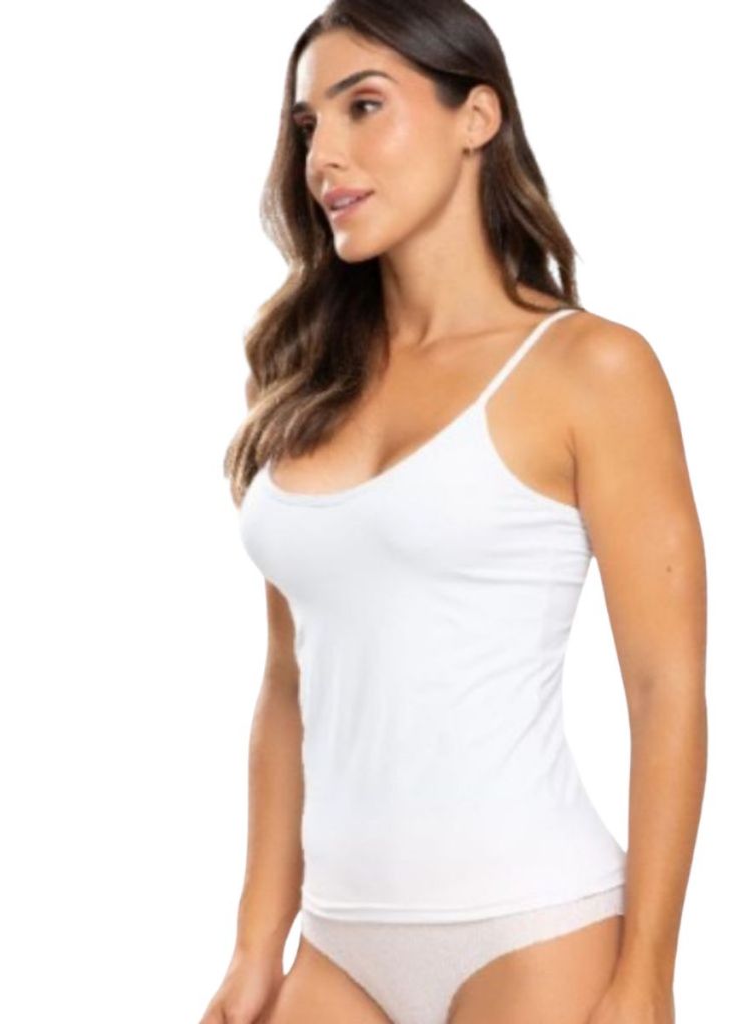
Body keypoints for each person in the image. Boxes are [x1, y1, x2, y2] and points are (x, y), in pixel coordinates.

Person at [205, 2, 706, 1022]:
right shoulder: (301, 385)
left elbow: (665, 688)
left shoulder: (593, 369)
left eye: (364, 107)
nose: (323, 156)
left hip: (534, 929)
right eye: (308, 124)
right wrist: (257, 943)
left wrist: (648, 973)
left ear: (476, 117)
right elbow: (289, 685)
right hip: (338, 943)